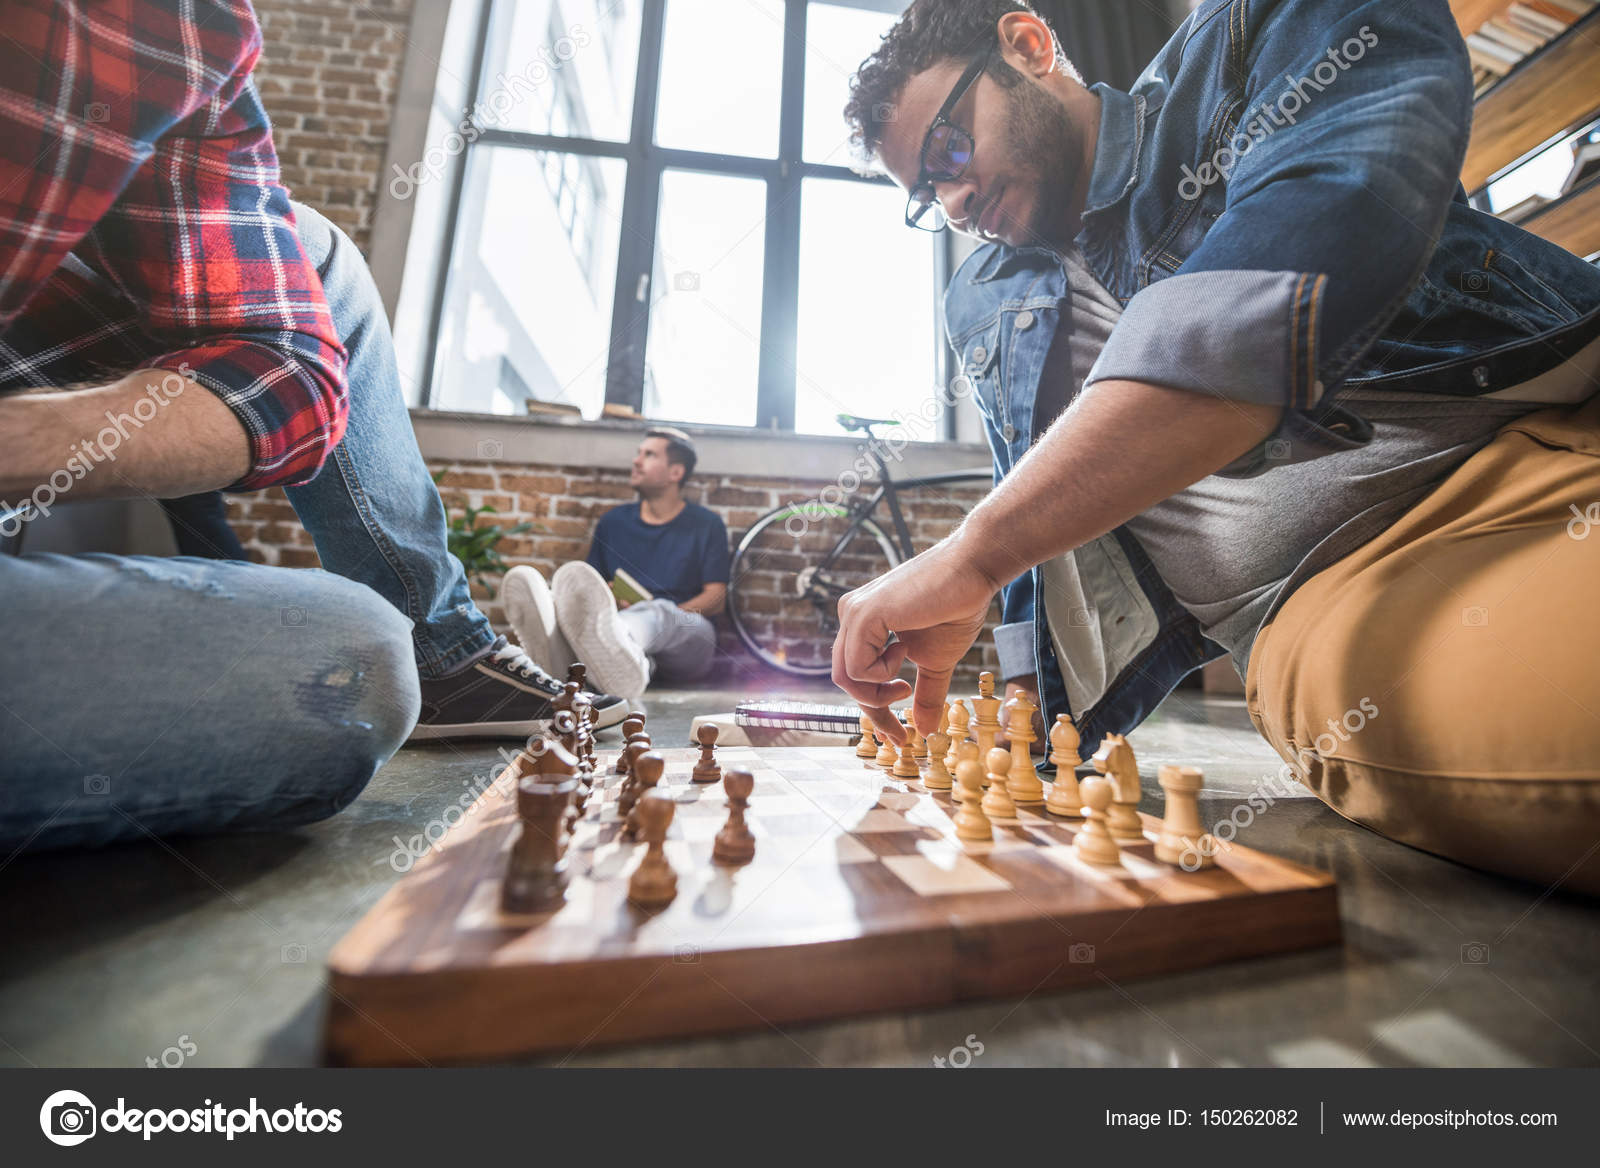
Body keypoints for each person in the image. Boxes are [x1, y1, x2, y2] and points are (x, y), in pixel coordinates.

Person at [831, 0, 1600, 894]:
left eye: (950, 152)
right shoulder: (981, 300)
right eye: (928, 198)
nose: (955, 200)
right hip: (1332, 596)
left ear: (1029, 45)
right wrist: (1024, 700)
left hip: (1544, 425)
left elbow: (1289, 283)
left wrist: (975, 551)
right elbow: (1038, 506)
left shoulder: (1252, 38)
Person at [0, 1, 621, 855]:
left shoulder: (178, 27)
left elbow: (284, 363)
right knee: (345, 668)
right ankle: (590, 643)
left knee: (359, 660)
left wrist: (25, 443)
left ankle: (479, 650)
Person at [503, 427, 729, 700]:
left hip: (689, 637)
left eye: (649, 454)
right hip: (634, 639)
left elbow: (716, 598)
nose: (636, 461)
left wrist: (655, 613)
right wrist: (610, 596)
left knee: (661, 612)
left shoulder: (706, 524)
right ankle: (579, 658)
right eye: (638, 453)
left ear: (675, 473)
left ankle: (594, 646)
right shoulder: (613, 522)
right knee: (632, 652)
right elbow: (587, 591)